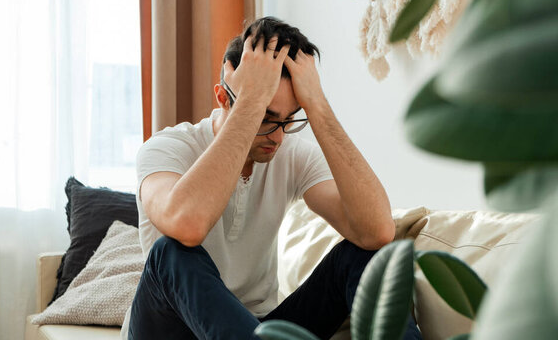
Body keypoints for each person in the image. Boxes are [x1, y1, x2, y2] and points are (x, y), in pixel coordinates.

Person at [126, 17, 422, 340]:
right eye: (266, 117)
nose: (278, 137)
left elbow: (378, 230)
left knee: (363, 255)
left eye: (289, 119)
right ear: (223, 97)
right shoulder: (166, 149)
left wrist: (317, 104)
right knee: (170, 252)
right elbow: (187, 224)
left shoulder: (290, 154)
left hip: (257, 330)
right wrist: (251, 101)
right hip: (171, 330)